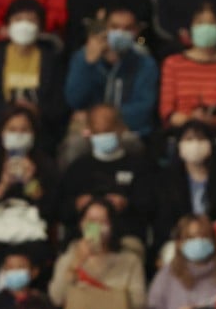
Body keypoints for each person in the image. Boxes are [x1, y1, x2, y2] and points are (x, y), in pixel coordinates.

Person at [0, 107, 58, 291]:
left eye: (24, 130)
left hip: (30, 225)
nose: (18, 135)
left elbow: (51, 209)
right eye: (12, 129)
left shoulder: (45, 165)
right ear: (2, 133)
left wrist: (30, 182)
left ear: (33, 134)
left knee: (38, 249)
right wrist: (3, 184)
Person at [48, 198, 146, 309]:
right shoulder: (68, 259)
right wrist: (76, 263)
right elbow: (57, 298)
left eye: (103, 221)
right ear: (82, 224)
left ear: (112, 226)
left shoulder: (130, 261)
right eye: (92, 220)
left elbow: (139, 307)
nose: (97, 226)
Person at [0, 0, 66, 151]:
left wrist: (36, 111)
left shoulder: (51, 58)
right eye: (18, 19)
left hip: (39, 127)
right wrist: (11, 112)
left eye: (31, 20)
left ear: (40, 28)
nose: (24, 25)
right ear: (8, 25)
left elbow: (59, 103)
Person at [57, 105, 154, 249]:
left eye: (108, 131)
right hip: (84, 238)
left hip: (125, 238)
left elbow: (150, 206)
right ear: (88, 131)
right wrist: (77, 205)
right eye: (98, 132)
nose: (103, 136)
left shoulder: (139, 166)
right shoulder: (77, 168)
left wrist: (127, 204)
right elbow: (61, 209)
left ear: (121, 128)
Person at [64, 3, 159, 145]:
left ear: (136, 31)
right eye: (115, 27)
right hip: (90, 129)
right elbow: (74, 100)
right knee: (74, 145)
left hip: (129, 130)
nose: (121, 33)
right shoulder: (83, 57)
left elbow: (143, 109)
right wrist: (88, 65)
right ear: (105, 28)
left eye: (127, 28)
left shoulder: (145, 63)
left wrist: (102, 119)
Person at [153, 121, 216, 257]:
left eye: (200, 138)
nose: (195, 144)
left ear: (210, 144)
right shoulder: (167, 179)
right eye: (189, 139)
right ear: (179, 145)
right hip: (180, 239)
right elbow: (163, 219)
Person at [159, 4, 216, 133]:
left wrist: (212, 121)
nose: (206, 28)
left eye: (212, 23)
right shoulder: (173, 64)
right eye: (200, 23)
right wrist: (192, 119)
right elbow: (167, 112)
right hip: (183, 133)